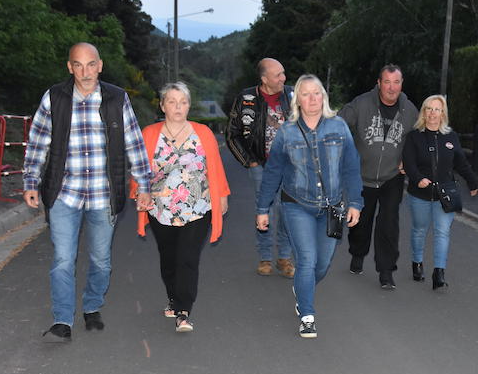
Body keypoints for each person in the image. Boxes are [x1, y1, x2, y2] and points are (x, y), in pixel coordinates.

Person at [22, 42, 153, 341]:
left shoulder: (116, 98)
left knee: (101, 260)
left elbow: (134, 142)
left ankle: (92, 306)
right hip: (64, 193)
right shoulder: (55, 97)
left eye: (91, 64)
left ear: (100, 65)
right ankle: (62, 321)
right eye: (78, 65)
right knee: (63, 259)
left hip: (103, 195)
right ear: (69, 67)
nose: (85, 72)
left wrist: (144, 185)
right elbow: (38, 140)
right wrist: (30, 181)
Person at [256, 75, 363, 339]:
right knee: (307, 259)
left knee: (322, 264)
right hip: (297, 205)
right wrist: (262, 208)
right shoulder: (287, 132)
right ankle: (307, 315)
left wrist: (355, 202)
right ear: (298, 101)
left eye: (317, 93)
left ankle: (303, 288)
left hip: (331, 207)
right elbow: (273, 172)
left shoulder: (339, 127)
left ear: (323, 97)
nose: (312, 98)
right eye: (306, 94)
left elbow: (351, 167)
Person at [131, 82, 230, 332]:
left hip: (198, 206)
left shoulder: (203, 133)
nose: (178, 107)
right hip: (160, 209)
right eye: (172, 102)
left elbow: (215, 166)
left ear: (189, 105)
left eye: (183, 102)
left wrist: (221, 196)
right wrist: (140, 192)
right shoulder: (149, 133)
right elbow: (139, 168)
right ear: (162, 105)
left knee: (188, 257)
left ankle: (183, 311)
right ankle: (173, 298)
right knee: (169, 258)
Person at [338, 64, 418, 289]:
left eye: (396, 82)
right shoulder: (362, 103)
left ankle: (386, 271)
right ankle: (357, 253)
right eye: (387, 82)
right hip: (362, 176)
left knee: (388, 223)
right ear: (379, 83)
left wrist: (409, 160)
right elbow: (339, 123)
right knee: (361, 222)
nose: (392, 88)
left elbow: (419, 139)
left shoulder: (410, 111)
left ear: (401, 84)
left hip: (392, 177)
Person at [402, 95, 478, 291]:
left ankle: (439, 272)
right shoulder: (414, 136)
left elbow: (461, 162)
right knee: (419, 230)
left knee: (442, 232)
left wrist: (472, 181)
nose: (433, 113)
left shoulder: (451, 137)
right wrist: (418, 178)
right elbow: (409, 163)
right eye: (429, 109)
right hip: (420, 194)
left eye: (437, 109)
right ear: (423, 112)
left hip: (445, 195)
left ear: (443, 114)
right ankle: (417, 263)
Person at [226, 58, 295, 278]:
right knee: (264, 210)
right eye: (278, 75)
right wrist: (250, 161)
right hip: (261, 166)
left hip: (290, 167)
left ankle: (284, 257)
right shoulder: (246, 98)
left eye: (283, 73)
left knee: (287, 211)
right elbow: (232, 134)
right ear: (264, 79)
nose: (283, 78)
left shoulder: (293, 95)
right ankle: (265, 258)